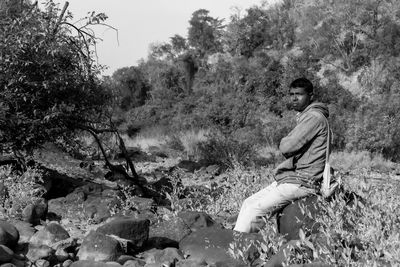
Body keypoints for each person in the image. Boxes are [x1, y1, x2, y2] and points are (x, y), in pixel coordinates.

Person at [234, 78, 330, 233]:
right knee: (248, 203)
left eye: (299, 94)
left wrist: (284, 140)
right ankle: (237, 242)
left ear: (310, 96)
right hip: (293, 178)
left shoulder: (313, 117)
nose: (294, 98)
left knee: (254, 211)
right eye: (291, 94)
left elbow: (287, 147)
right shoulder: (308, 116)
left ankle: (237, 249)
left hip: (303, 181)